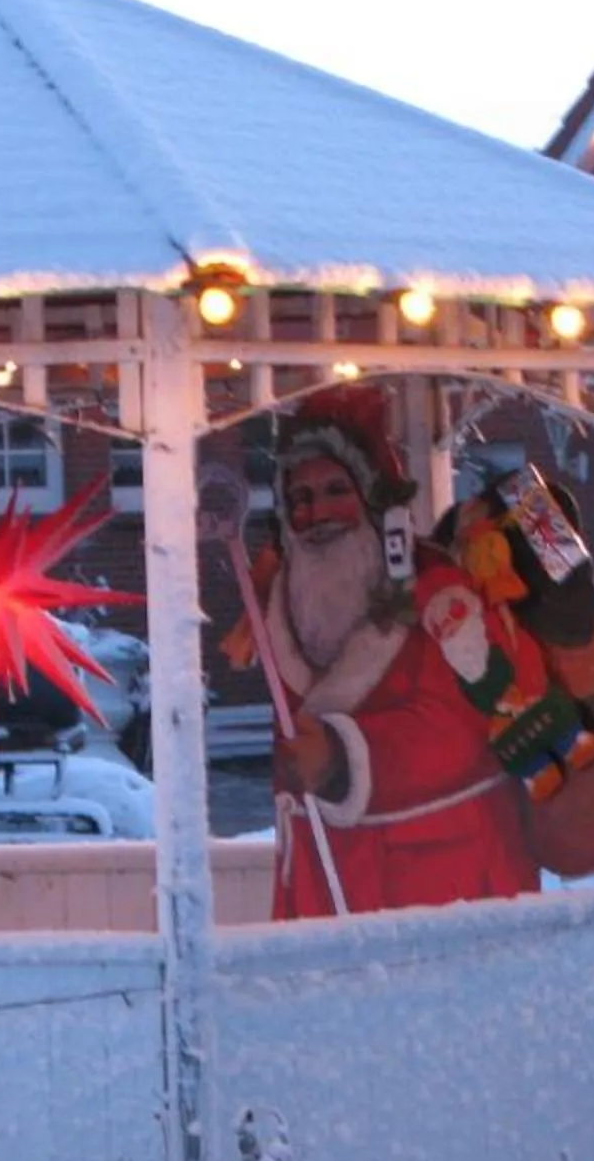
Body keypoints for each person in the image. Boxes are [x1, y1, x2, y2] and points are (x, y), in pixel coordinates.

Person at [211, 385, 537, 919]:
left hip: (440, 882)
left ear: (375, 501)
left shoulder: (439, 590)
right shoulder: (283, 606)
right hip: (325, 877)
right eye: (301, 499)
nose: (317, 513)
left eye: (336, 490)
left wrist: (340, 757)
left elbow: (465, 724)